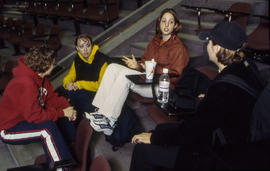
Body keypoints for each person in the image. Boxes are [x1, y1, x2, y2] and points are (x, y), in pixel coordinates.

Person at [129, 21, 266, 171]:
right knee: (162, 130)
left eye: (209, 41)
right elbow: (225, 109)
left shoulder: (223, 90)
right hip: (240, 144)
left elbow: (193, 134)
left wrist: (155, 137)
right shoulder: (248, 67)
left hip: (221, 156)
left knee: (143, 150)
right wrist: (208, 101)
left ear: (218, 47)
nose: (207, 46)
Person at [85, 8, 189, 135]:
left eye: (171, 22)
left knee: (124, 76)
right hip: (146, 80)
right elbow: (145, 63)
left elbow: (177, 75)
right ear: (159, 23)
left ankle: (110, 121)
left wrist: (155, 69)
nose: (166, 25)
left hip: (163, 87)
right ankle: (100, 111)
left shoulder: (179, 48)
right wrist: (137, 66)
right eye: (163, 21)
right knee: (112, 67)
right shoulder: (154, 42)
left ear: (176, 25)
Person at [0, 45, 77, 170]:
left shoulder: (42, 79)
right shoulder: (25, 83)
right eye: (52, 63)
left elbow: (52, 99)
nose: (54, 65)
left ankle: (68, 151)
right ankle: (62, 168)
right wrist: (62, 112)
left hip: (25, 118)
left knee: (59, 118)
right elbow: (35, 117)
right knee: (47, 129)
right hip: (9, 128)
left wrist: (68, 108)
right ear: (45, 66)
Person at [60, 33, 109, 124]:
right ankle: (73, 118)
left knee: (74, 95)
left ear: (92, 45)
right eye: (81, 46)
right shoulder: (78, 58)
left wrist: (79, 84)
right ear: (77, 48)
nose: (85, 49)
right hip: (83, 91)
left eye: (88, 45)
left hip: (98, 94)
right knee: (61, 90)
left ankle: (80, 120)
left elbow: (101, 86)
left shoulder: (102, 60)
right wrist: (68, 83)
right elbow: (71, 75)